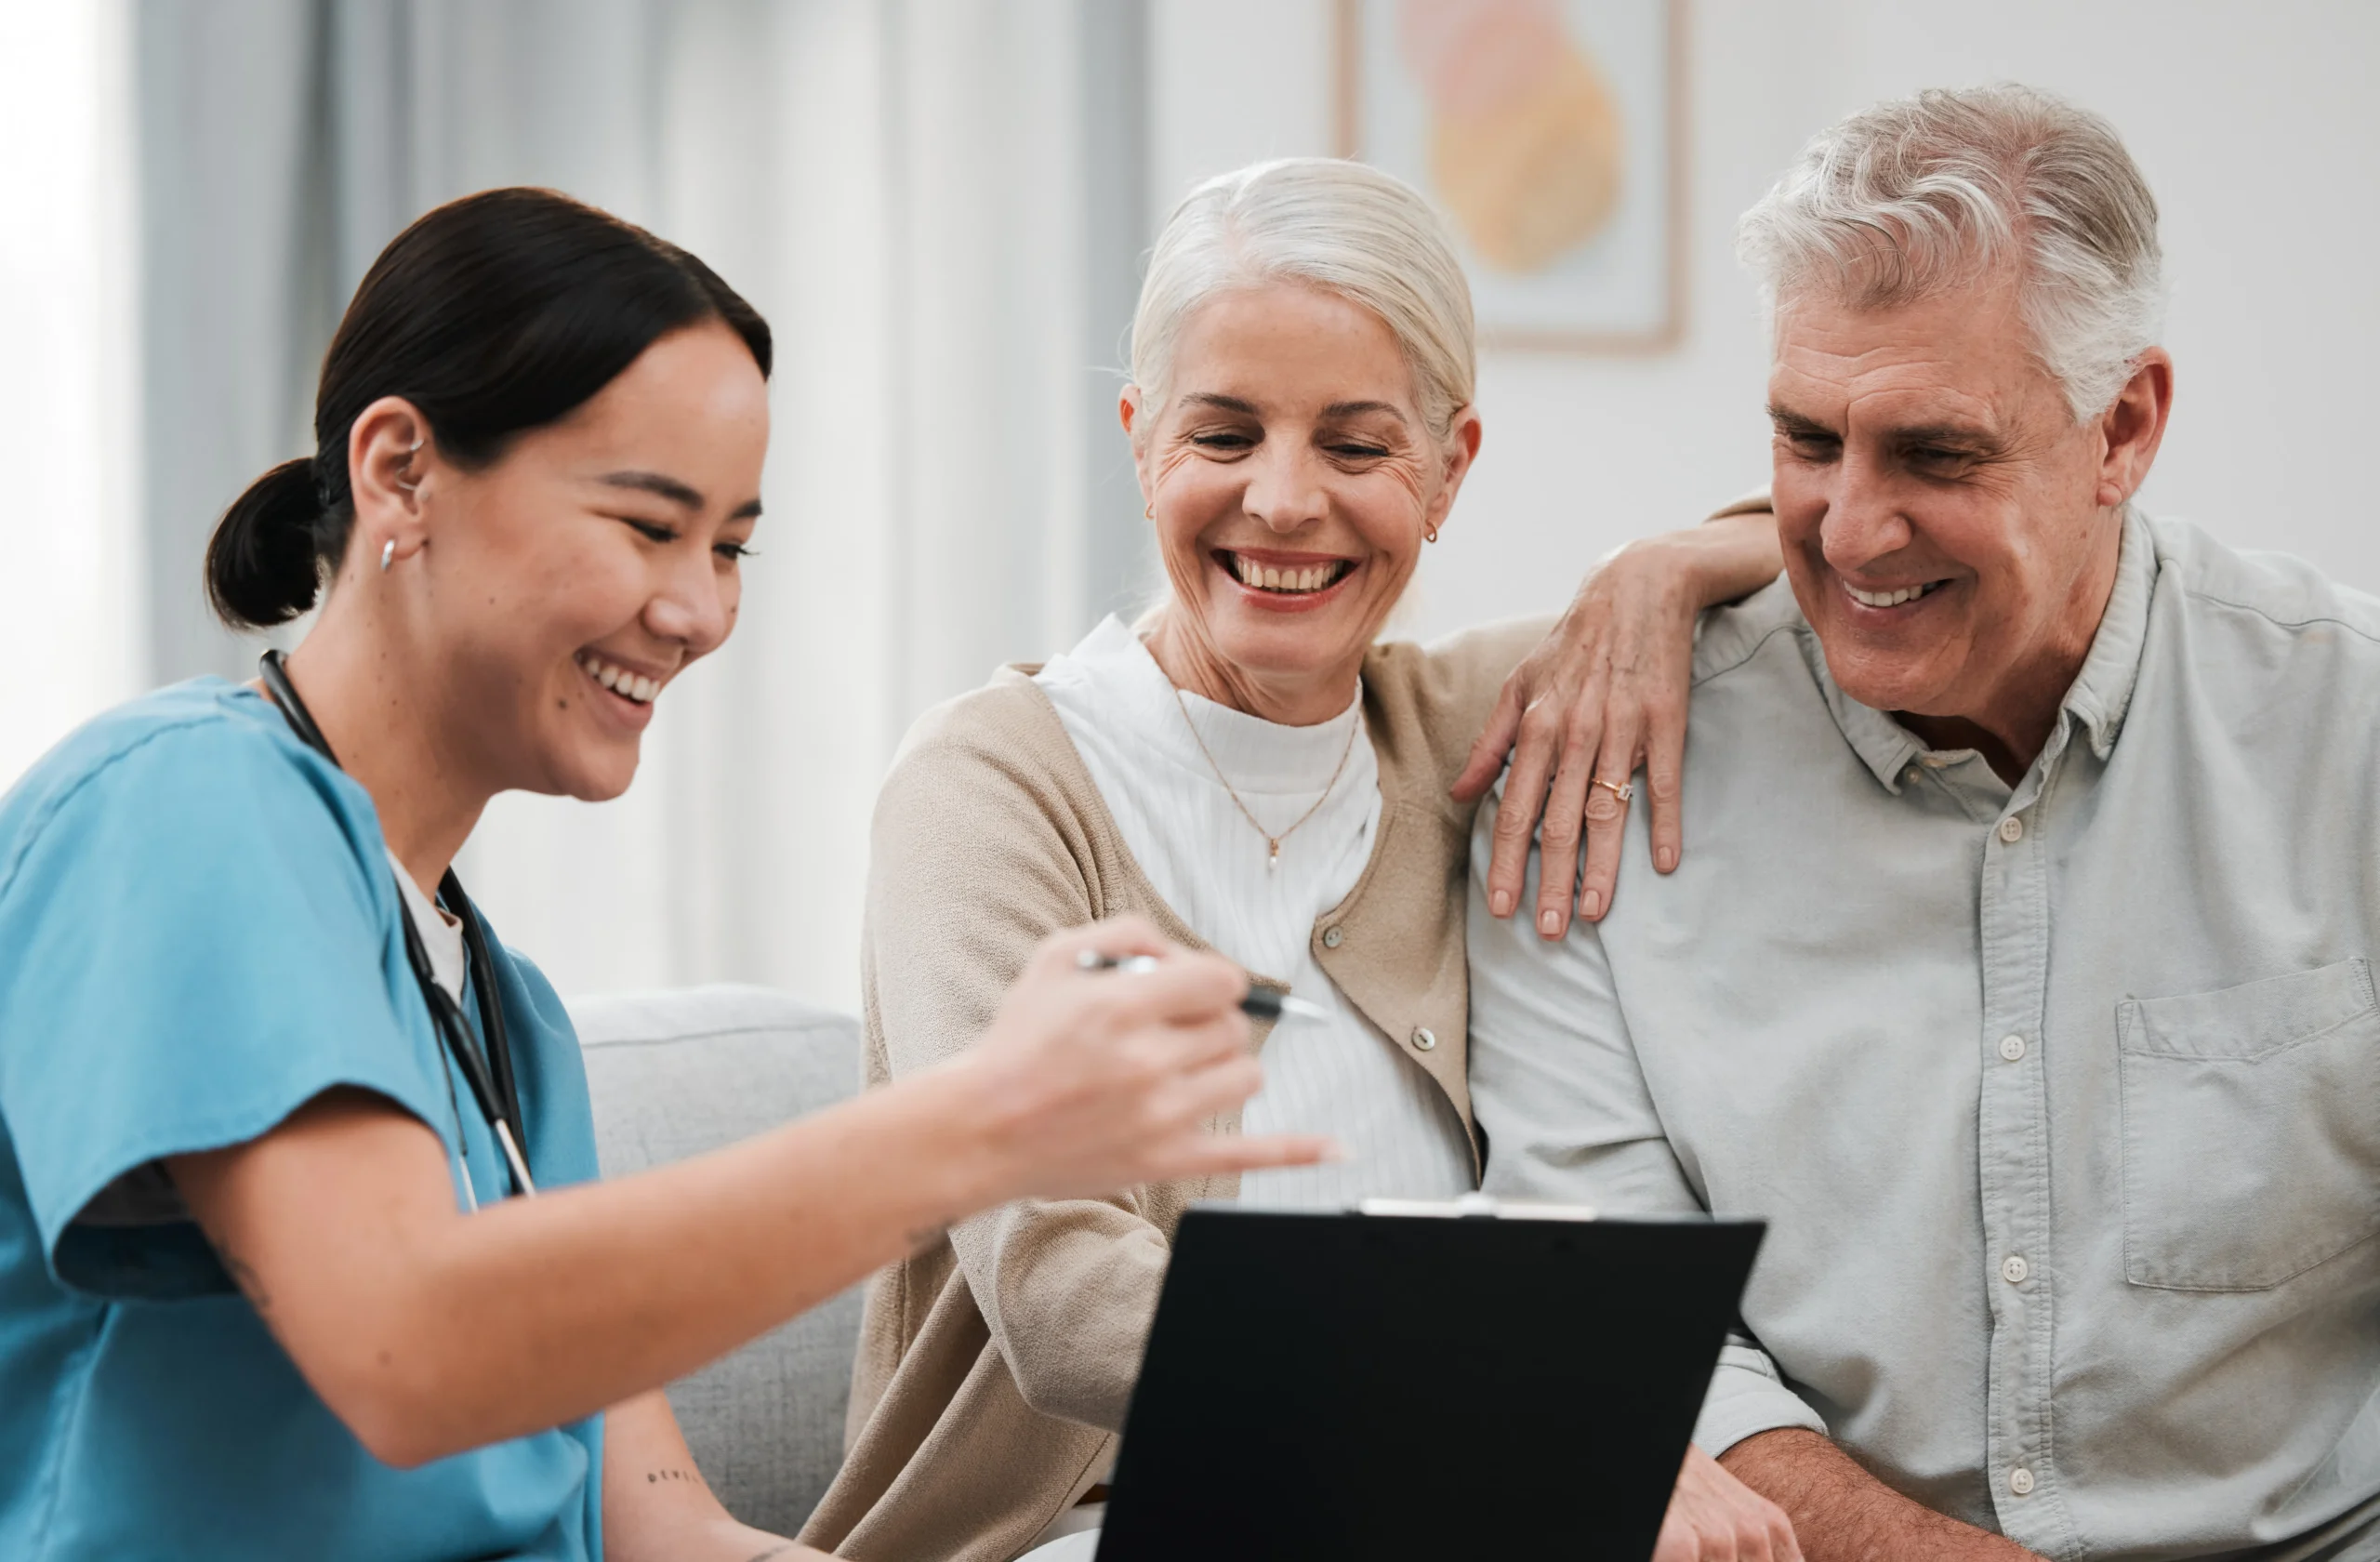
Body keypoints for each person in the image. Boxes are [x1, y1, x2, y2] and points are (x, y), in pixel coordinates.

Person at [0, 187, 1331, 1562]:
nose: (699, 612)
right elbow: (412, 1347)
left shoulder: (507, 1019)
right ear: (401, 470)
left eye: (731, 547)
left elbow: (661, 1530)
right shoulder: (182, 809)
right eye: (648, 527)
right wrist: (976, 1125)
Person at [800, 158, 1798, 1562]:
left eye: (1354, 444)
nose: (1282, 501)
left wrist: (1653, 571)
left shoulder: (1460, 726)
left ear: (1450, 470)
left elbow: (1826, 535)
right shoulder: (990, 785)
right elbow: (1059, 1290)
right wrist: (1543, 1419)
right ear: (1141, 438)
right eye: (1225, 434)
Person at [1467, 84, 2380, 1560]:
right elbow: (1618, 1326)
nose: (1848, 532)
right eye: (1807, 440)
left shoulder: (2351, 738)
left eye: (1937, 455)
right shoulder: (1597, 783)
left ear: (2124, 427)